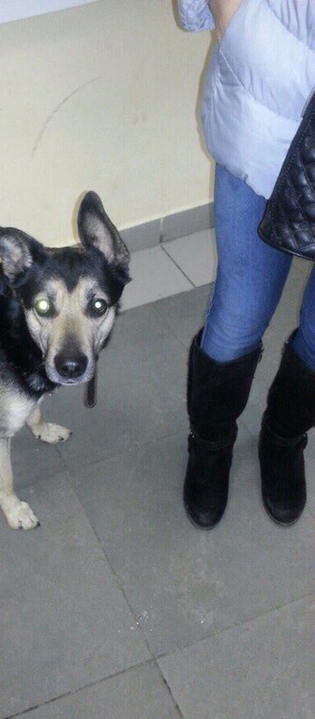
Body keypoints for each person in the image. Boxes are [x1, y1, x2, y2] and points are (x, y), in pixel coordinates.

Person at [177, 0, 315, 529]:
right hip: (265, 122)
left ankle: (284, 436)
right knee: (239, 315)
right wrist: (234, 23)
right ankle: (210, 445)